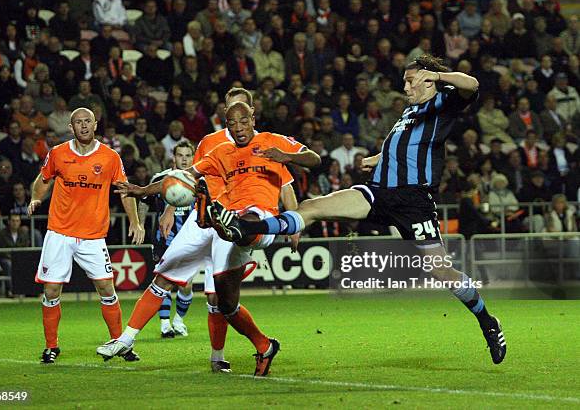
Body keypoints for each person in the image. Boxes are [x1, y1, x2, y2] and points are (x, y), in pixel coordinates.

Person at [212, 54, 507, 365]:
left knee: (441, 271)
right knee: (312, 207)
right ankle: (247, 228)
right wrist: (377, 159)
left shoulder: (443, 103)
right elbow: (402, 146)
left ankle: (488, 322)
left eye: (409, 80)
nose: (404, 87)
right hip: (377, 192)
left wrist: (437, 76)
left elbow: (472, 84)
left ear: (427, 79)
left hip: (413, 203)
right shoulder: (408, 114)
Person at [98, 95, 316, 376]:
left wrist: (293, 218)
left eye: (243, 118)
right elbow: (183, 177)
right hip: (210, 218)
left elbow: (306, 165)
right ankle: (263, 345)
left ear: (253, 116)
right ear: (225, 116)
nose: (238, 125)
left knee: (243, 231)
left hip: (252, 217)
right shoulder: (216, 149)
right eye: (232, 119)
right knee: (222, 302)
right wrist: (144, 191)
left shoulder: (273, 142)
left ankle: (218, 355)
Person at [27, 107, 145, 364]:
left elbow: (124, 190)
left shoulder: (110, 157)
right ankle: (51, 347)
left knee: (106, 287)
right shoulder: (58, 153)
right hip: (59, 233)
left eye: (87, 121)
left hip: (93, 235)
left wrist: (135, 222)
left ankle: (120, 344)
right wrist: (36, 197)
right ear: (71, 128)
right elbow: (44, 178)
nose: (83, 126)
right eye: (78, 122)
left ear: (95, 125)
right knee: (51, 290)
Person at [138, 141, 196, 338]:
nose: (185, 159)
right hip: (165, 239)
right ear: (174, 157)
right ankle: (165, 324)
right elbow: (144, 201)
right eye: (181, 155)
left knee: (186, 284)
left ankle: (179, 320)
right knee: (163, 281)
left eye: (188, 155)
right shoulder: (161, 178)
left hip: (190, 241)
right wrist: (139, 224)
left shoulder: (200, 181)